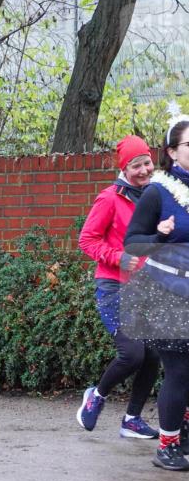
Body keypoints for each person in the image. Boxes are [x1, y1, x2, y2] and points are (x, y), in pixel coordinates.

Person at [76, 135, 160, 439]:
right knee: (133, 354)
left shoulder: (156, 195)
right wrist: (117, 257)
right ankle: (96, 396)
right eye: (135, 165)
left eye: (146, 162)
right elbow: (87, 240)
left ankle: (131, 420)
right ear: (124, 168)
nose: (143, 170)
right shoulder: (110, 198)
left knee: (153, 355)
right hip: (113, 286)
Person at [123, 115, 189, 471]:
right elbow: (132, 244)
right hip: (165, 295)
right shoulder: (157, 193)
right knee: (178, 371)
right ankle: (167, 446)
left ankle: (185, 432)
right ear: (172, 152)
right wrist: (161, 235)